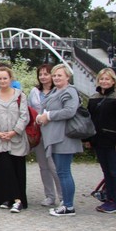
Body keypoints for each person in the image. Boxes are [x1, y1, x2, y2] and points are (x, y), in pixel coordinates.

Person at [36, 63, 83, 217]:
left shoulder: (70, 91)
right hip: (54, 137)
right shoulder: (55, 91)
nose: (56, 78)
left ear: (67, 77)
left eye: (59, 75)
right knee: (61, 171)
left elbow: (69, 111)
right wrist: (40, 117)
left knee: (63, 172)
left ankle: (68, 206)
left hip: (64, 137)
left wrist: (48, 116)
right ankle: (66, 203)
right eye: (54, 75)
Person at [0, 65, 30, 212]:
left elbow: (24, 116)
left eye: (5, 78)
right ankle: (5, 197)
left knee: (16, 169)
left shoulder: (20, 96)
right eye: (0, 78)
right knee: (2, 168)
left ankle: (18, 199)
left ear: (10, 79)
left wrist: (14, 131)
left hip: (15, 138)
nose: (2, 81)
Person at [86, 68, 116, 213]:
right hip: (99, 140)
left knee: (114, 171)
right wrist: (88, 139)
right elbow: (89, 120)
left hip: (113, 140)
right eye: (102, 79)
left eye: (107, 79)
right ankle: (109, 197)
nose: (104, 81)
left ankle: (115, 201)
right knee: (106, 170)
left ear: (113, 81)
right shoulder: (94, 98)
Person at [28, 65, 63, 207]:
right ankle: (49, 196)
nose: (43, 77)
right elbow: (29, 109)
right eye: (40, 74)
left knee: (54, 166)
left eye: (46, 74)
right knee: (43, 166)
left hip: (53, 132)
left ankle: (63, 196)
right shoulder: (34, 92)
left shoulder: (59, 91)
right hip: (38, 132)